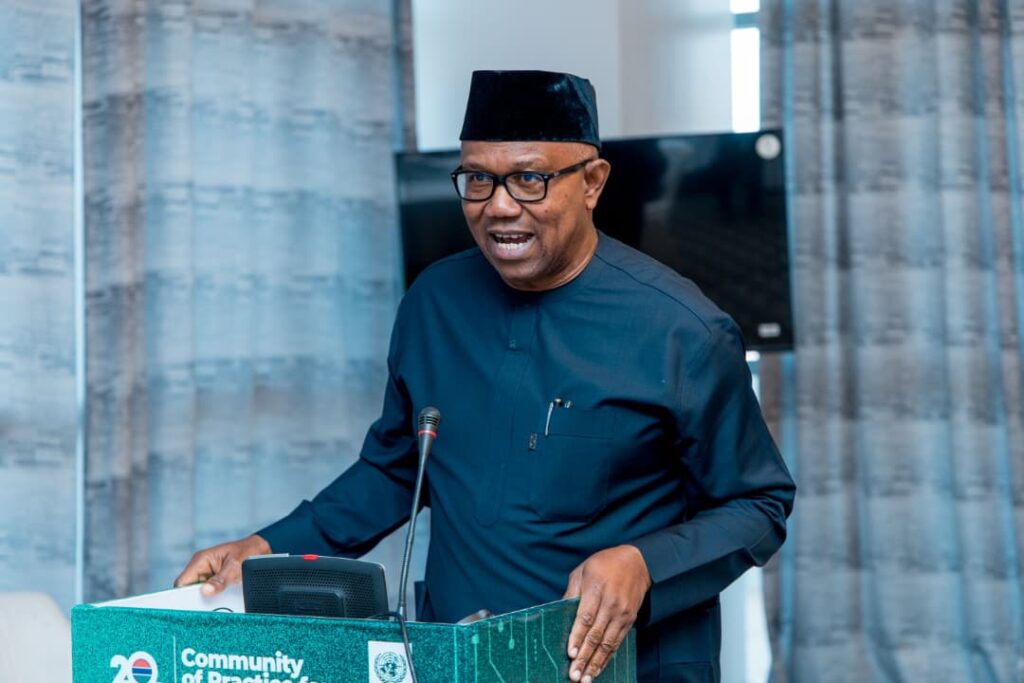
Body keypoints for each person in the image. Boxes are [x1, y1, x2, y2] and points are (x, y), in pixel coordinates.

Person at [176, 70, 796, 683]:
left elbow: (758, 504)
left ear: (592, 183)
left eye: (530, 179)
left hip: (620, 665)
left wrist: (644, 564)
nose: (499, 206)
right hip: (457, 657)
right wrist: (268, 548)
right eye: (478, 179)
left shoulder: (682, 330)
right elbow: (397, 468)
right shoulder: (433, 302)